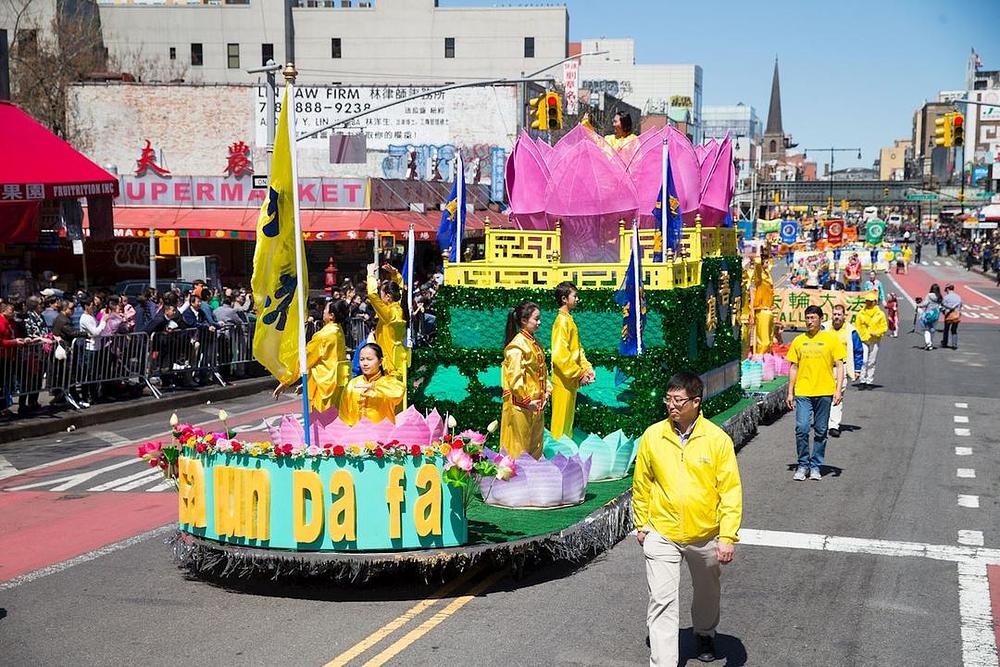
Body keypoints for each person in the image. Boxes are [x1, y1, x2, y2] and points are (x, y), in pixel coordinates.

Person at [633, 371, 743, 666]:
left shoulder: (716, 439)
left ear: (696, 401)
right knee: (662, 601)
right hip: (662, 531)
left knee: (707, 592)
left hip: (705, 534)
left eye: (678, 400)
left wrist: (727, 535)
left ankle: (705, 632)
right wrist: (641, 525)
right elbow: (642, 483)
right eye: (668, 399)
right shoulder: (653, 436)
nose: (671, 405)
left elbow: (730, 490)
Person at [785, 304, 845, 481]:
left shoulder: (830, 340)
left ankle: (816, 465)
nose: (809, 321)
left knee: (820, 430)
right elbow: (793, 367)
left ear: (820, 319)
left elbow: (840, 365)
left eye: (813, 318)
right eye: (807, 318)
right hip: (803, 391)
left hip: (824, 391)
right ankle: (803, 465)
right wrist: (790, 392)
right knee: (802, 428)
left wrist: (838, 389)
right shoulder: (799, 341)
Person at [274, 300, 350, 414]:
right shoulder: (339, 332)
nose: (323, 312)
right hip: (335, 383)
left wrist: (287, 381)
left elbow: (305, 360)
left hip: (323, 387)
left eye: (325, 310)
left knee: (320, 422)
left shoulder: (324, 335)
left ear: (331, 316)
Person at [500, 301, 550, 459]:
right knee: (519, 448)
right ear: (524, 321)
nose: (539, 322)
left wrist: (547, 390)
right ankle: (517, 482)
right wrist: (527, 400)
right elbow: (515, 379)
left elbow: (541, 371)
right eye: (536, 319)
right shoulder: (517, 347)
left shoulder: (534, 343)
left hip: (536, 403)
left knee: (535, 446)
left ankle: (534, 480)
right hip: (522, 405)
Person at [549, 282, 595, 440]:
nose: (577, 299)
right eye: (574, 296)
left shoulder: (568, 320)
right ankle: (555, 460)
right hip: (563, 381)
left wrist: (586, 368)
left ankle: (563, 460)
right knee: (560, 426)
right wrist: (579, 374)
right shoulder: (561, 321)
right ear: (564, 299)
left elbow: (577, 349)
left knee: (567, 424)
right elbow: (560, 356)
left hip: (569, 380)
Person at [337, 343, 405, 426]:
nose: (365, 363)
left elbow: (398, 393)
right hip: (356, 436)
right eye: (362, 359)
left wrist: (374, 386)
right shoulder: (352, 384)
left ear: (380, 362)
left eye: (369, 359)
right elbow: (344, 416)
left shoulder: (389, 383)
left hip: (382, 436)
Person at [823, 304, 861, 438]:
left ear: (845, 316)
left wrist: (857, 369)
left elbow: (858, 350)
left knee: (838, 395)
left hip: (842, 367)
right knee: (824, 394)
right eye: (834, 314)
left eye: (839, 315)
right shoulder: (824, 328)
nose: (836, 317)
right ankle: (823, 421)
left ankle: (834, 425)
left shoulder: (851, 331)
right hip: (825, 366)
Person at [367, 263, 407, 383]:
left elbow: (372, 295)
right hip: (398, 362)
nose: (380, 297)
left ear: (388, 296)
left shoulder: (388, 313)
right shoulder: (398, 309)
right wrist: (395, 273)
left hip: (388, 365)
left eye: (382, 295)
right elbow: (399, 288)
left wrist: (370, 274)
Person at [854, 291, 887, 388]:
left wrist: (876, 333)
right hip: (863, 340)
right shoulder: (861, 313)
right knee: (863, 360)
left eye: (871, 301)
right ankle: (862, 380)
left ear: (875, 302)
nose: (868, 303)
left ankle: (869, 381)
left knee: (872, 361)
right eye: (867, 301)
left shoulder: (880, 314)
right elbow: (857, 326)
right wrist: (859, 337)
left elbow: (884, 328)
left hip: (875, 340)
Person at [921, 284, 942, 350]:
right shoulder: (940, 296)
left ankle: (928, 343)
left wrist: (919, 305)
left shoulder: (929, 295)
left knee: (927, 329)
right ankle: (930, 344)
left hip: (929, 314)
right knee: (933, 329)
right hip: (936, 315)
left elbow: (925, 304)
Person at [941, 284, 962, 350]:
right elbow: (960, 305)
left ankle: (945, 343)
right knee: (954, 330)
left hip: (948, 315)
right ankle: (954, 344)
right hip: (956, 315)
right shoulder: (958, 297)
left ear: (947, 289)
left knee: (946, 329)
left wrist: (943, 311)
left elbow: (942, 307)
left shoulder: (946, 297)